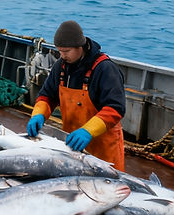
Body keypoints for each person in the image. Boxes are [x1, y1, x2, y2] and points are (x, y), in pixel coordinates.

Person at [27, 20, 126, 171]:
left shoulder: (105, 69)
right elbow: (47, 96)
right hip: (73, 147)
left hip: (103, 151)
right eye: (59, 51)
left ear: (80, 47)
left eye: (66, 51)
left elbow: (115, 108)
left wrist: (88, 131)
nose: (62, 56)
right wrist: (38, 115)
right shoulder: (60, 67)